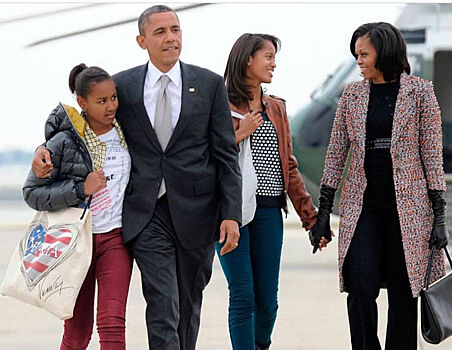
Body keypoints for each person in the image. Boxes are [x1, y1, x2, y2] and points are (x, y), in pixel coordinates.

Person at [33, 5, 242, 350]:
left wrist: (231, 213)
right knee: (162, 305)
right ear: (141, 40)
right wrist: (45, 149)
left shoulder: (208, 84)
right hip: (146, 215)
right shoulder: (124, 86)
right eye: (160, 32)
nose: (170, 38)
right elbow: (81, 122)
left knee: (187, 306)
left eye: (175, 29)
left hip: (197, 213)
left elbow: (225, 156)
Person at [309, 22, 449, 350]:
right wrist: (324, 212)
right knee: (360, 287)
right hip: (363, 207)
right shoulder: (351, 95)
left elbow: (431, 155)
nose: (358, 61)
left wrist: (439, 216)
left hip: (411, 209)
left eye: (363, 54)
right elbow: (336, 154)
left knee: (404, 293)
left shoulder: (420, 92)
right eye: (355, 55)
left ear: (383, 52)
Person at [218, 33, 319, 350]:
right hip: (229, 214)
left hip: (268, 212)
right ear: (248, 59)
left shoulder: (276, 108)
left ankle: (261, 345)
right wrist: (238, 135)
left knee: (267, 300)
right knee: (243, 294)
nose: (274, 63)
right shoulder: (219, 105)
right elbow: (203, 156)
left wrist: (310, 217)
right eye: (269, 56)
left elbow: (288, 165)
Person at [24, 64, 133, 350]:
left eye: (113, 98)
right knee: (77, 332)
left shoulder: (127, 131)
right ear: (82, 102)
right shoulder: (62, 143)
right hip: (75, 243)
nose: (111, 106)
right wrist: (80, 189)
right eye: (101, 101)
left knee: (112, 323)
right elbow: (32, 193)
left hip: (115, 238)